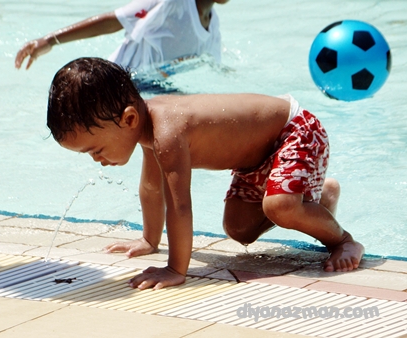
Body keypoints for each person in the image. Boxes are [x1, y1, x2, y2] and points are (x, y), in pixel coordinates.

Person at [47, 57, 365, 290]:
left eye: (95, 149)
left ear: (129, 120)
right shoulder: (146, 129)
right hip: (258, 156)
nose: (96, 159)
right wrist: (149, 239)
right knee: (238, 228)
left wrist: (175, 268)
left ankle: (345, 241)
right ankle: (316, 198)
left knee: (279, 207)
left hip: (294, 131)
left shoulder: (167, 132)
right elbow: (151, 188)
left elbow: (179, 205)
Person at [15, 0, 229, 73]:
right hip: (120, 79)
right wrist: (50, 40)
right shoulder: (169, 4)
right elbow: (113, 21)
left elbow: (211, 66)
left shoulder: (214, 25)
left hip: (158, 90)